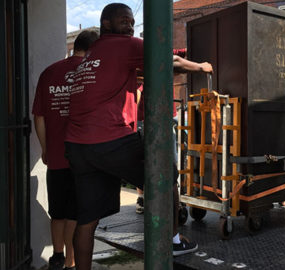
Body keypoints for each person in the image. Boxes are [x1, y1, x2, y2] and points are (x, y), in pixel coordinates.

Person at [64, 3, 212, 270]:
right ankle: (173, 240)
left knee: (86, 219)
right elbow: (170, 61)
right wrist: (202, 67)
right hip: (110, 139)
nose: (131, 26)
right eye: (124, 20)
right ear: (106, 23)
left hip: (78, 146)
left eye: (132, 22)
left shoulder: (93, 54)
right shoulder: (124, 45)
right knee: (166, 174)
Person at [32, 30, 99, 270]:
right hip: (83, 156)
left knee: (58, 211)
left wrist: (46, 148)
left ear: (76, 46)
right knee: (76, 213)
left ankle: (57, 257)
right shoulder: (93, 72)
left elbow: (38, 117)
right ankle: (71, 261)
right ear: (93, 49)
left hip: (57, 156)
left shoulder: (49, 72)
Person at [135, 51, 213, 214]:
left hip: (156, 117)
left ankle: (148, 199)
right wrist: (201, 67)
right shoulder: (152, 56)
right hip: (158, 118)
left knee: (149, 162)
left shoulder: (148, 53)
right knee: (169, 164)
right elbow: (176, 59)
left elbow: (178, 54)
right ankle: (170, 204)